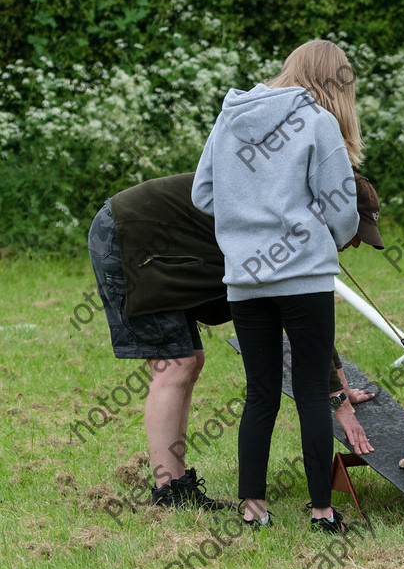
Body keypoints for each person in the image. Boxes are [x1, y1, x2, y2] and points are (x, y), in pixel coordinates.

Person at [87, 170, 381, 516]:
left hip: (166, 245)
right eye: (356, 231)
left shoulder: (294, 214)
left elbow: (308, 321)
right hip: (131, 235)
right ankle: (168, 491)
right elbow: (298, 318)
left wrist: (342, 389)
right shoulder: (283, 223)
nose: (358, 242)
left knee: (191, 360)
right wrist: (338, 402)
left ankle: (177, 485)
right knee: (174, 365)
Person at [192, 39, 380, 533]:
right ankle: (322, 512)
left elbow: (202, 192)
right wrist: (322, 237)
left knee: (261, 395)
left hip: (246, 279)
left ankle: (253, 509)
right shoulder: (319, 122)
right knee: (314, 393)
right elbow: (342, 209)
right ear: (335, 80)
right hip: (304, 277)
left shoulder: (230, 116)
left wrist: (244, 223)